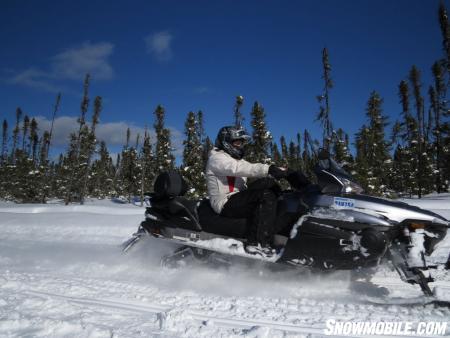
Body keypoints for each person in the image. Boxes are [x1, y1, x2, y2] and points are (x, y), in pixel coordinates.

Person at [205, 125, 290, 255]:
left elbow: (248, 167)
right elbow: (237, 168)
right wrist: (268, 169)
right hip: (224, 203)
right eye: (237, 142)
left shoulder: (237, 160)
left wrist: (281, 171)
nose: (240, 146)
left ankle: (281, 231)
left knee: (268, 183)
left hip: (237, 198)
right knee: (265, 195)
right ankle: (257, 244)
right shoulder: (217, 158)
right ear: (226, 142)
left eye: (242, 142)